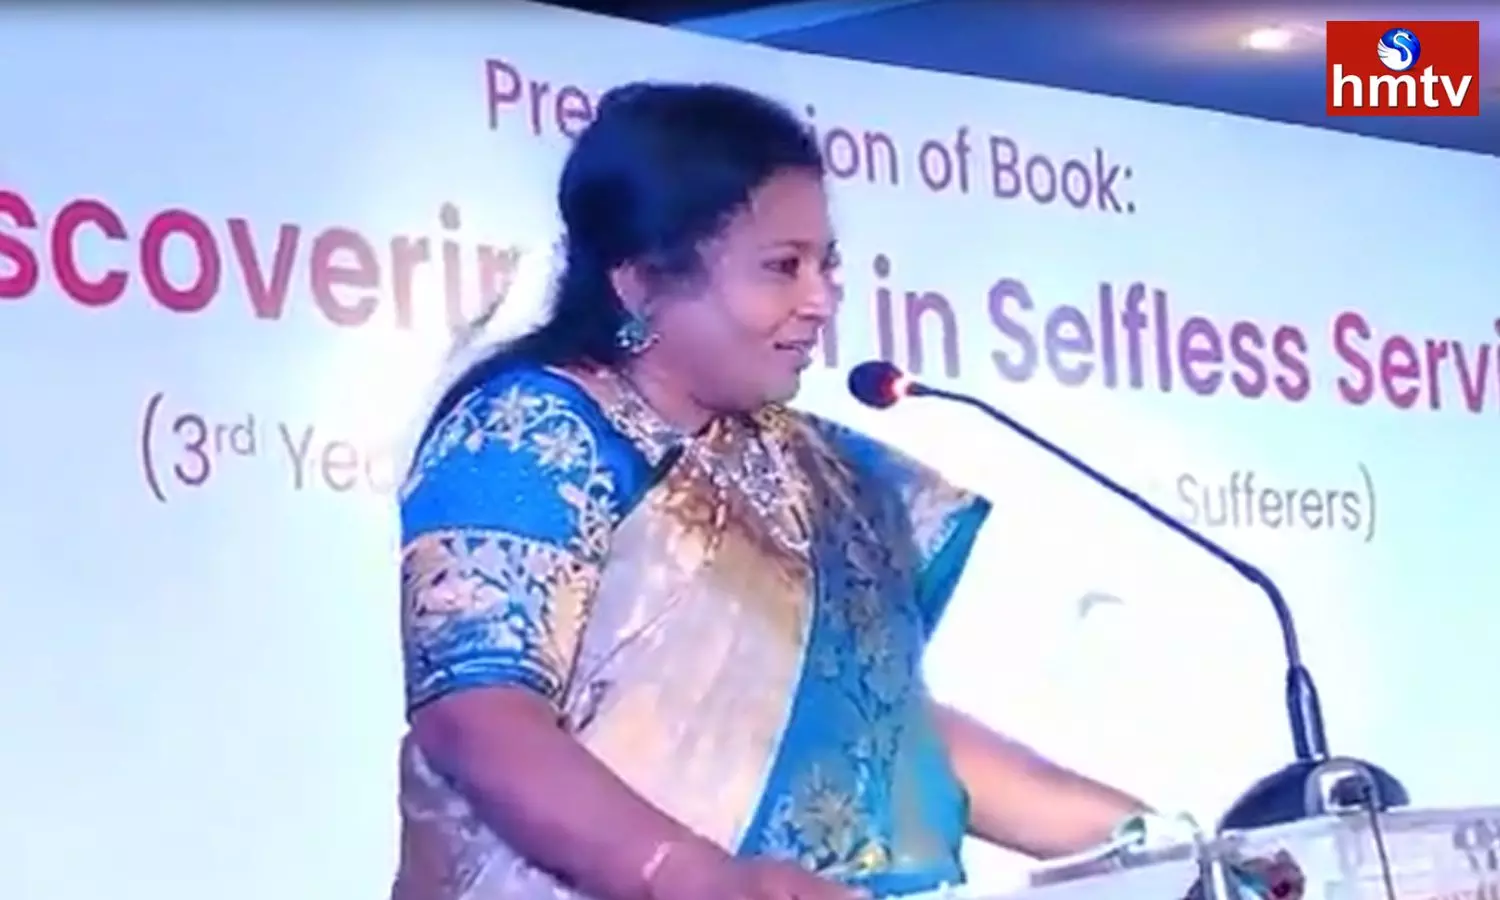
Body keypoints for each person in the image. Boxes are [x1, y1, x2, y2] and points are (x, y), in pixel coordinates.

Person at [391, 81, 1149, 900]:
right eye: (782, 267)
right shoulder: (529, 433)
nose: (820, 301)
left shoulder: (816, 474)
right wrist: (689, 874)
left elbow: (879, 728)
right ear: (642, 282)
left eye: (828, 265)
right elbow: (478, 716)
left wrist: (1155, 844)